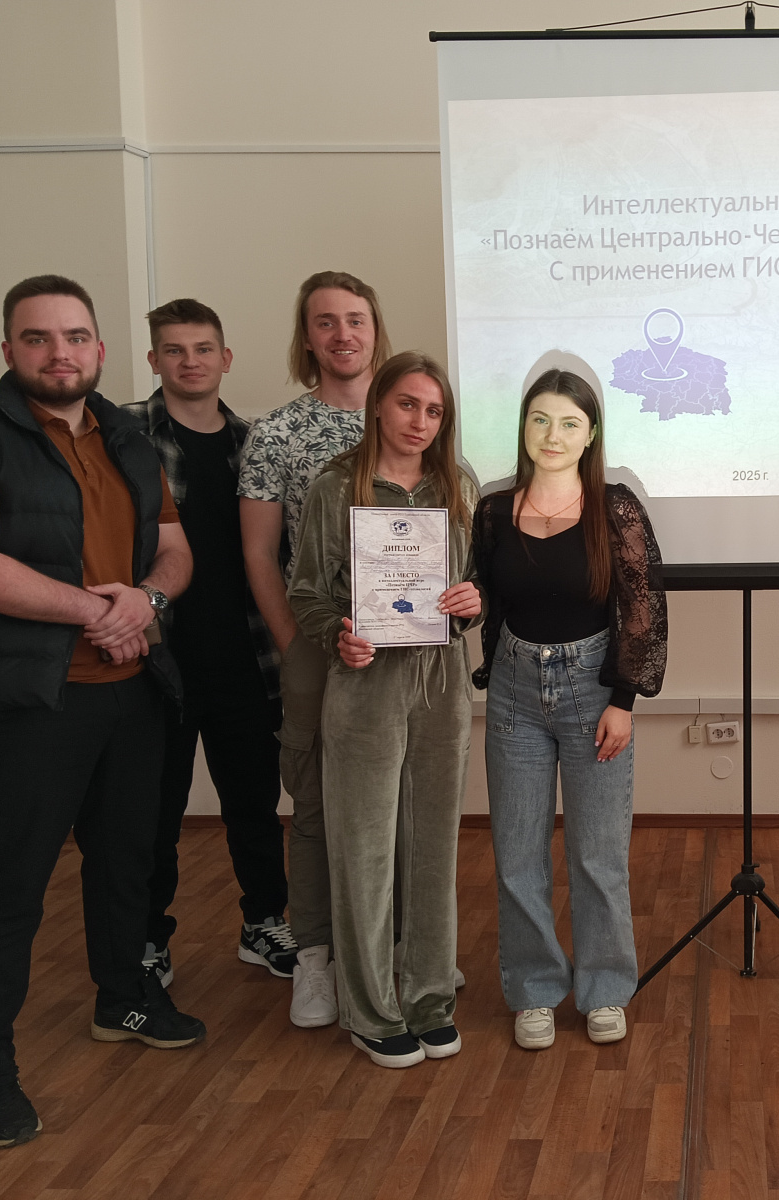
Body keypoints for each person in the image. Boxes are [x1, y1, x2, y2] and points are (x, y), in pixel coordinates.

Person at [0, 275, 205, 1148]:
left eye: (75, 337)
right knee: (10, 887)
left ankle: (123, 999)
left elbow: (174, 551)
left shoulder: (128, 437)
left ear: (100, 350)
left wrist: (146, 602)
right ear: (9, 350)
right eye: (38, 338)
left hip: (131, 691)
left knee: (125, 865)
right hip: (28, 703)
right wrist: (96, 612)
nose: (59, 353)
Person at [288, 351, 480, 1068]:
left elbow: (469, 584)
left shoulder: (456, 484)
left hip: (440, 685)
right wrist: (336, 633)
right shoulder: (337, 484)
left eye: (434, 411)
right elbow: (306, 591)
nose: (419, 422)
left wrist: (471, 603)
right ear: (377, 404)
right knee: (364, 848)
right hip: (363, 682)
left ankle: (429, 996)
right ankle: (370, 1009)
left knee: (433, 847)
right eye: (407, 404)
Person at [473, 368, 667, 1051]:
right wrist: (465, 604)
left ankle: (605, 987)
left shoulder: (615, 508)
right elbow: (486, 599)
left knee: (598, 854)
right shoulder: (493, 511)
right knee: (517, 854)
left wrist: (624, 700)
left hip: (594, 691)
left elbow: (642, 608)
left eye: (569, 423)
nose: (552, 435)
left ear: (590, 435)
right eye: (540, 420)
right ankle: (533, 990)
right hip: (514, 693)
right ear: (523, 427)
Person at [124, 298, 294, 989]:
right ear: (153, 359)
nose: (189, 362)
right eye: (174, 350)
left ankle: (264, 923)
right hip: (154, 660)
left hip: (246, 658)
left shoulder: (256, 444)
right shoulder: (122, 435)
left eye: (202, 349)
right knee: (154, 811)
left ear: (225, 359)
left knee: (254, 804)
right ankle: (148, 937)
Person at [238, 271, 389, 1027]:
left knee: (395, 801)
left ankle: (393, 950)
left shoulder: (409, 418)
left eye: (354, 319)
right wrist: (301, 644)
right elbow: (260, 554)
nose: (342, 334)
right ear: (307, 337)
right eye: (325, 322)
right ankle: (316, 960)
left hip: (401, 651)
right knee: (315, 805)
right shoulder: (276, 434)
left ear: (375, 329)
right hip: (315, 648)